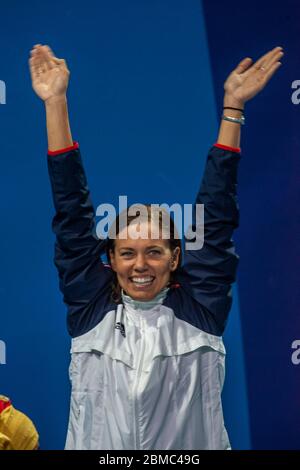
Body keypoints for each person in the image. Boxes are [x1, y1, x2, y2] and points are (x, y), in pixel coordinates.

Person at [29, 43, 283, 450]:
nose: (140, 265)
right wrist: (55, 102)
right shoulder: (90, 308)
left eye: (154, 251)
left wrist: (233, 108)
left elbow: (214, 214)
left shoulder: (200, 307)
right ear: (109, 260)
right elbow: (71, 213)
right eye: (127, 253)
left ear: (176, 257)